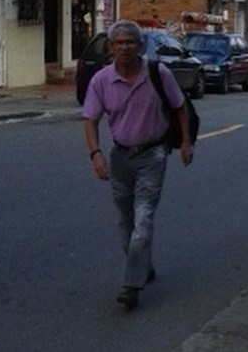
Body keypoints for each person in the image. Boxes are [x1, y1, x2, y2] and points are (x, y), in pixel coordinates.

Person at [82, 19, 194, 310]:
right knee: (125, 219)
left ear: (140, 46)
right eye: (118, 43)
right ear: (110, 47)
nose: (124, 48)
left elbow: (180, 108)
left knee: (143, 217)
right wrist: (95, 155)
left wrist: (185, 142)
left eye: (130, 42)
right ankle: (143, 264)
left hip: (153, 154)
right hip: (120, 155)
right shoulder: (101, 80)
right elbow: (90, 120)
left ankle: (132, 284)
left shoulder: (159, 73)